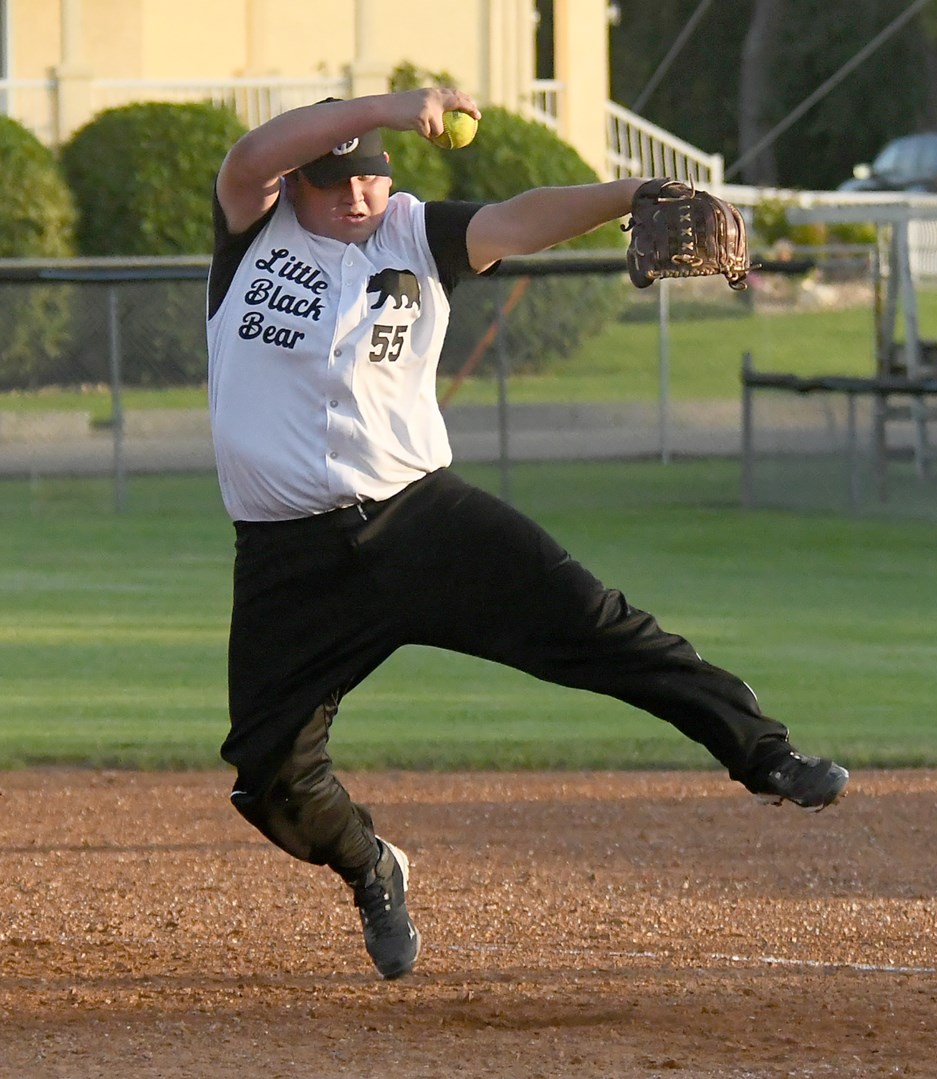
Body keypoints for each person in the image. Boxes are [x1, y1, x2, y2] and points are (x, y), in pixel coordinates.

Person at [206, 88, 849, 981]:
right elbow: (252, 154)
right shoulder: (253, 232)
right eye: (331, 179)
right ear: (297, 182)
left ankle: (767, 754)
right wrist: (391, 109)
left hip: (420, 520)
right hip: (289, 555)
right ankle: (371, 867)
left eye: (369, 178)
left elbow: (520, 217)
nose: (355, 194)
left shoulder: (414, 235)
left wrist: (634, 192)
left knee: (597, 625)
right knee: (267, 778)